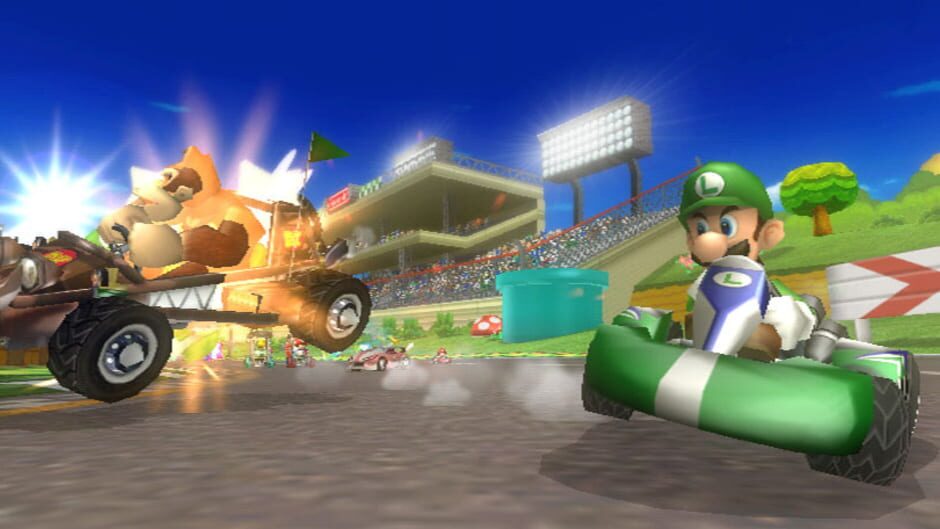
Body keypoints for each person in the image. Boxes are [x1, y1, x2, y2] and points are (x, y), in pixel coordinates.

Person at [677, 161, 816, 361]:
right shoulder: (700, 289)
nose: (711, 239)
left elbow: (801, 321)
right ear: (691, 241)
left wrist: (784, 325)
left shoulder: (775, 294)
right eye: (701, 229)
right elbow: (691, 325)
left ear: (769, 233)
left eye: (727, 226)